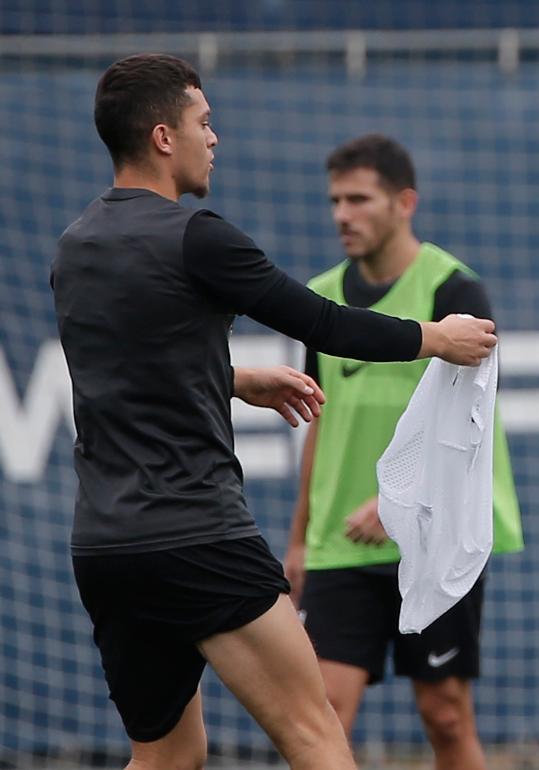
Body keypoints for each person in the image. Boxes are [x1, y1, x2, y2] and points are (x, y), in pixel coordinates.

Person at [52, 54, 496, 770]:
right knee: (317, 736)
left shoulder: (74, 247)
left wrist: (230, 377)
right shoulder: (198, 236)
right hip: (199, 537)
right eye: (204, 121)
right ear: (164, 137)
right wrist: (433, 337)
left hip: (106, 550)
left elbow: (125, 370)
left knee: (167, 757)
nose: (215, 138)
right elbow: (325, 323)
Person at [284, 134, 523, 770]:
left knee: (445, 715)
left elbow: (464, 430)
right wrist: (300, 538)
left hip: (435, 532)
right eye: (335, 200)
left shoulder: (455, 292)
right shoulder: (319, 299)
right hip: (341, 542)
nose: (342, 214)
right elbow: (317, 422)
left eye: (359, 199)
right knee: (323, 719)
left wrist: (393, 502)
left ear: (404, 202)